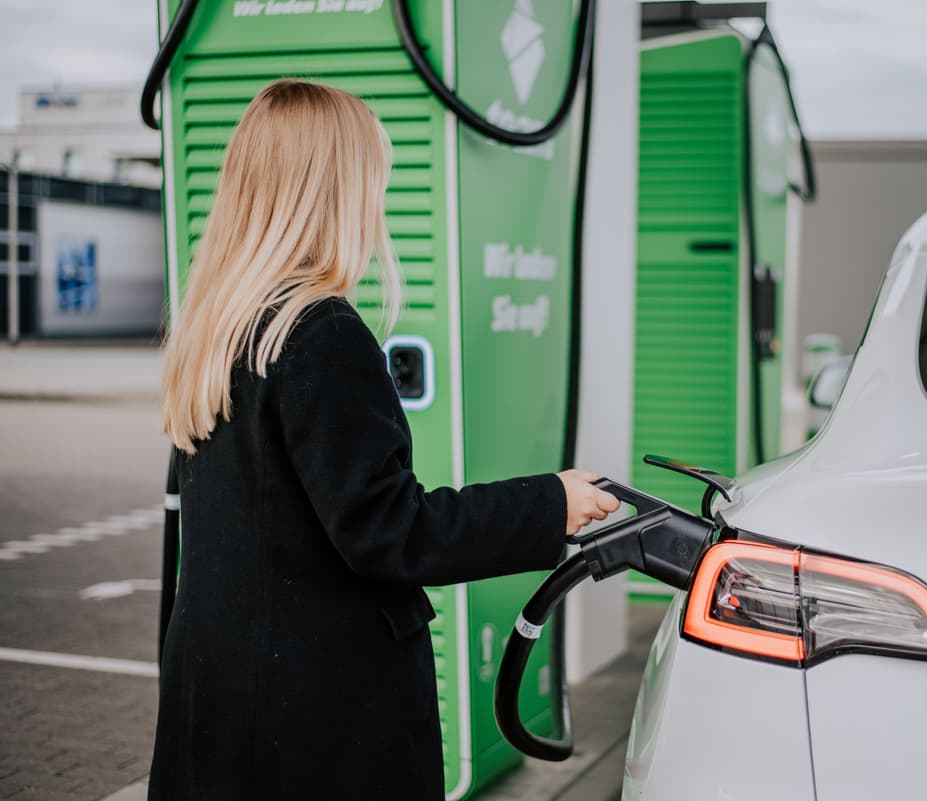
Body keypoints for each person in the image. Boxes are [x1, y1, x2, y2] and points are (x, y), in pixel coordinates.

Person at [149, 79, 619, 801]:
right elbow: (390, 531)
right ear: (333, 190)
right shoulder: (320, 333)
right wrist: (549, 502)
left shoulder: (221, 331)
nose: (377, 206)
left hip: (223, 701)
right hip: (314, 724)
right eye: (372, 182)